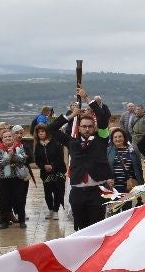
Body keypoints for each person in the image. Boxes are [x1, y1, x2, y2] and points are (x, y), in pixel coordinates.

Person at [47, 90, 116, 231]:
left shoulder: (101, 139)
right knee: (81, 229)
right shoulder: (71, 141)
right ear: (79, 127)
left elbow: (102, 117)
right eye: (84, 126)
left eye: (90, 126)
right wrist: (70, 115)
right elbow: (51, 128)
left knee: (97, 228)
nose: (87, 129)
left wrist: (87, 98)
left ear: (94, 128)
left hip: (97, 191)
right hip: (78, 192)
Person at [0, 129, 29, 229]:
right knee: (4, 199)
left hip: (17, 177)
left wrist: (14, 155)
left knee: (19, 199)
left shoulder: (19, 147)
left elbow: (23, 160)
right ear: (2, 139)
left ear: (13, 137)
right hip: (3, 178)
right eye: (5, 137)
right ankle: (4, 221)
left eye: (9, 136)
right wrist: (9, 156)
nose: (8, 138)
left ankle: (22, 220)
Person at [34, 124, 68, 215]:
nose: (41, 133)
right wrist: (44, 166)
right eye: (39, 132)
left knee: (57, 191)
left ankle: (56, 210)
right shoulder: (37, 146)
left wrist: (52, 166)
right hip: (45, 173)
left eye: (43, 131)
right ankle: (51, 209)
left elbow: (60, 157)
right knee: (47, 193)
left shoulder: (56, 143)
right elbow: (37, 160)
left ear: (47, 132)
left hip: (57, 171)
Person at [105, 127, 142, 209]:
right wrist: (106, 179)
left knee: (127, 212)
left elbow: (138, 168)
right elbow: (104, 167)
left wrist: (140, 184)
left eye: (120, 136)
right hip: (113, 187)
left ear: (124, 137)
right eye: (115, 137)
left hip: (128, 187)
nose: (118, 139)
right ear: (112, 139)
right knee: (114, 212)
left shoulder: (132, 150)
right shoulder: (108, 151)